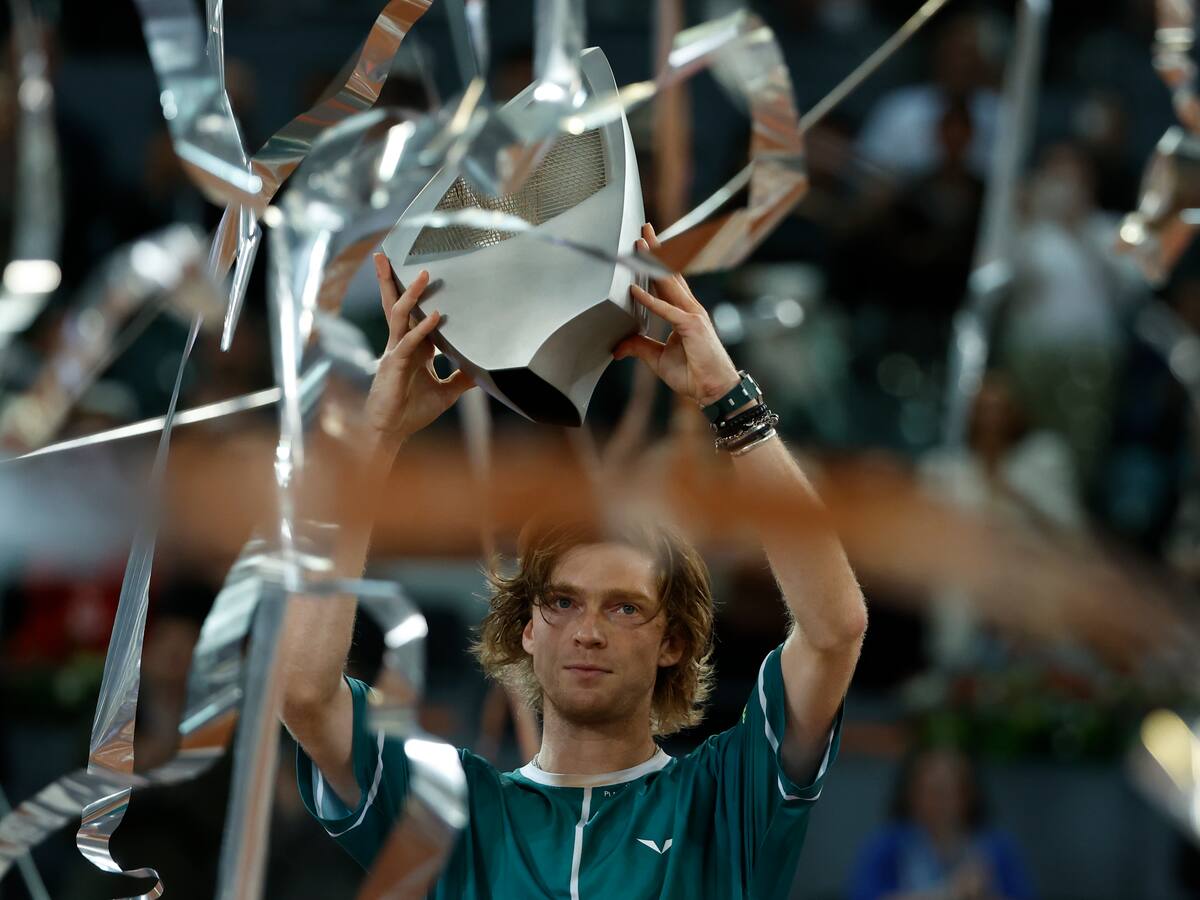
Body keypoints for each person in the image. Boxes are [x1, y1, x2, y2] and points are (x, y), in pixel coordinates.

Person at [278, 223, 868, 898]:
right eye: (562, 602)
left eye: (625, 607)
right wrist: (374, 444)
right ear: (527, 627)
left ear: (673, 641)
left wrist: (729, 403)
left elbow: (834, 631)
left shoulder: (723, 798)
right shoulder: (454, 812)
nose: (588, 631)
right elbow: (303, 693)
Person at [848, 747, 1034, 900]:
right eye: (931, 792)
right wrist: (950, 891)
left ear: (967, 796)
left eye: (948, 792)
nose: (939, 803)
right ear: (911, 795)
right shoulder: (886, 845)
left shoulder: (997, 848)